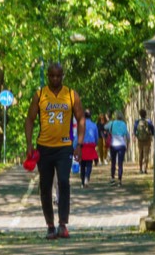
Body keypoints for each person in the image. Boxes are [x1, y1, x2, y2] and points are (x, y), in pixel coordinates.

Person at [24, 62, 85, 239]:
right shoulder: (40, 95)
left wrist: (79, 144)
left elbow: (81, 119)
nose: (55, 79)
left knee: (64, 182)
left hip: (64, 148)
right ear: (48, 76)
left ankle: (63, 224)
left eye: (58, 76)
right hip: (44, 148)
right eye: (52, 75)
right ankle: (50, 225)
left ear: (63, 76)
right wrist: (29, 144)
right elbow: (29, 119)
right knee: (45, 186)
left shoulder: (71, 95)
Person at [106, 111, 129, 185]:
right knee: (120, 163)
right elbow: (128, 136)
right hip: (122, 145)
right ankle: (119, 180)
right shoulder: (124, 124)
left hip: (113, 145)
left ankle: (112, 178)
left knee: (113, 162)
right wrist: (127, 145)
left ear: (115, 116)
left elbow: (105, 127)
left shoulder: (112, 123)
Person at [79, 113, 99, 187]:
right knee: (89, 164)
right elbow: (96, 136)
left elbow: (78, 135)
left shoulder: (80, 125)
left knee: (82, 165)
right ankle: (87, 177)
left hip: (82, 146)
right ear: (90, 117)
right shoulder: (94, 125)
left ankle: (82, 182)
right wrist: (96, 143)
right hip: (90, 146)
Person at [133, 108, 155, 174]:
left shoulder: (137, 121)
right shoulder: (148, 121)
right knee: (146, 155)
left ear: (140, 114)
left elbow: (134, 130)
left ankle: (140, 169)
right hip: (147, 140)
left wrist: (136, 136)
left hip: (140, 140)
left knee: (140, 154)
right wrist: (152, 135)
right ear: (145, 114)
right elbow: (152, 129)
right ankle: (145, 169)